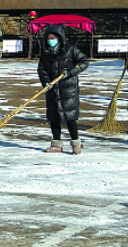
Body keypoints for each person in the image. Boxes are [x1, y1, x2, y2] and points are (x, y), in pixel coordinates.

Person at [37, 25, 89, 154]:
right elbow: (42, 69)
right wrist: (46, 82)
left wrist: (70, 72)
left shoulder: (70, 50)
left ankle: (76, 143)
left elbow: (84, 61)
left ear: (60, 38)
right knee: (54, 118)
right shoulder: (46, 53)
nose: (51, 40)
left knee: (70, 117)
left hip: (68, 90)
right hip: (52, 89)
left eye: (54, 37)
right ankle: (56, 144)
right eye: (49, 38)